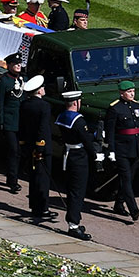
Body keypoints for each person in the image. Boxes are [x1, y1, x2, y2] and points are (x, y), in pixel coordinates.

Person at [56, 90, 100, 240]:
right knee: (77, 192)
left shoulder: (62, 116)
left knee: (72, 190)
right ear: (76, 103)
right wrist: (95, 155)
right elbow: (86, 140)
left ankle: (74, 221)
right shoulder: (78, 120)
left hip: (68, 155)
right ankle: (73, 225)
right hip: (78, 157)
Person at [106, 80, 139, 222]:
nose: (132, 93)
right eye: (129, 92)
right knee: (126, 179)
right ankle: (134, 209)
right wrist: (111, 150)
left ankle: (118, 204)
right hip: (121, 149)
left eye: (133, 91)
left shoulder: (136, 106)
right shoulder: (115, 109)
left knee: (129, 177)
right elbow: (110, 131)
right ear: (121, 93)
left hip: (135, 148)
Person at [19, 75, 56, 221]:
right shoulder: (44, 106)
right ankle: (43, 208)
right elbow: (42, 129)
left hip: (28, 145)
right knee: (43, 179)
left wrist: (24, 144)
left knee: (33, 177)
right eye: (43, 88)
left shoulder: (24, 105)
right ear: (39, 91)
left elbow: (22, 127)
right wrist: (40, 147)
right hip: (42, 147)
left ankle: (34, 205)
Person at [0, 51, 26, 193]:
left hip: (21, 121)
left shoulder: (22, 79)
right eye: (15, 64)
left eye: (19, 63)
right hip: (9, 121)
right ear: (9, 66)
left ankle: (14, 175)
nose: (18, 66)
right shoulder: (4, 81)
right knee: (13, 150)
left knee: (19, 151)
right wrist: (0, 122)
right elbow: (0, 102)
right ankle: (12, 181)